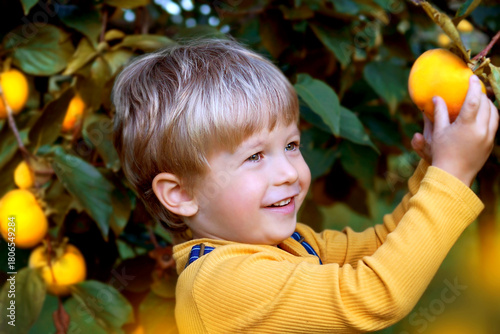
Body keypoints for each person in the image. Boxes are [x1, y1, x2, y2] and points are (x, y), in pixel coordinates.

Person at [112, 38, 499, 333]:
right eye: (255, 157)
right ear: (180, 194)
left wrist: (435, 165)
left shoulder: (290, 244)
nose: (289, 172)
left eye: (291, 146)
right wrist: (452, 175)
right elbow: (375, 295)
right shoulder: (218, 284)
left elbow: (384, 245)